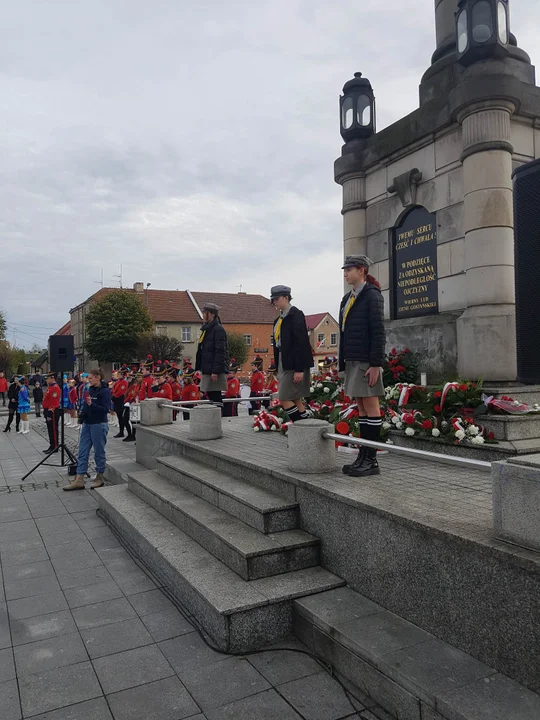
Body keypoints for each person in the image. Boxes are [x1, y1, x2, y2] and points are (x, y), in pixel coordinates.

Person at [339, 255, 385, 478]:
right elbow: (344, 334)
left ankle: (371, 459)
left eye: (350, 269)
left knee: (371, 404)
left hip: (366, 360)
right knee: (361, 407)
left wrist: (376, 364)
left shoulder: (371, 295)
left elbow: (378, 331)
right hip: (352, 359)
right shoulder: (347, 298)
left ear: (362, 270)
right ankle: (364, 455)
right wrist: (341, 363)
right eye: (345, 270)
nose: (346, 273)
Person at [270, 285, 314, 423]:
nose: (274, 302)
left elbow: (301, 342)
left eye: (277, 299)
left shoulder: (295, 314)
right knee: (294, 398)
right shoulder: (278, 320)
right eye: (273, 300)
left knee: (283, 397)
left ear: (286, 298)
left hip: (294, 362)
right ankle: (306, 426)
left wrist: (299, 369)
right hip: (284, 361)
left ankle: (300, 426)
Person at [64, 368, 111, 491]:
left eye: (90, 378)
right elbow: (87, 405)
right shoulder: (90, 389)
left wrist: (92, 405)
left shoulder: (104, 391)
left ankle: (100, 476)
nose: (88, 381)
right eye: (88, 378)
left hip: (99, 424)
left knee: (98, 452)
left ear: (98, 377)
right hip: (87, 423)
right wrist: (83, 413)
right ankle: (79, 478)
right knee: (82, 451)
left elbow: (106, 409)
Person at [195, 302, 229, 409]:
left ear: (212, 314)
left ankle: (219, 418)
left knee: (216, 396)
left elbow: (220, 352)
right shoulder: (207, 329)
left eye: (206, 313)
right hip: (207, 368)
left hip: (214, 370)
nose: (204, 315)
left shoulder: (218, 329)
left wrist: (215, 371)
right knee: (211, 395)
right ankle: (215, 418)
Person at [42, 372, 61, 453]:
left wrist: (50, 411)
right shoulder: (50, 387)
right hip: (48, 410)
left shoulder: (55, 388)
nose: (46, 380)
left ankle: (55, 446)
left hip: (52, 411)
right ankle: (51, 445)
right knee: (50, 429)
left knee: (53, 429)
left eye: (48, 378)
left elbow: (54, 402)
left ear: (52, 378)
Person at [111, 367, 129, 438]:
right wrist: (113, 395)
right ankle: (120, 431)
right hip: (116, 399)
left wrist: (115, 396)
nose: (118, 375)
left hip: (120, 399)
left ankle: (122, 432)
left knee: (121, 416)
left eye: (119, 374)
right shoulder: (118, 381)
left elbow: (121, 392)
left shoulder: (124, 382)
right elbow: (113, 389)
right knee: (119, 416)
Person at [122, 374, 140, 443]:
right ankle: (130, 434)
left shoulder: (134, 386)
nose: (128, 379)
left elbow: (133, 395)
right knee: (125, 419)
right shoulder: (130, 386)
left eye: (129, 378)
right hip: (128, 404)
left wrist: (129, 401)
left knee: (133, 421)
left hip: (133, 405)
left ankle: (133, 435)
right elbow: (129, 395)